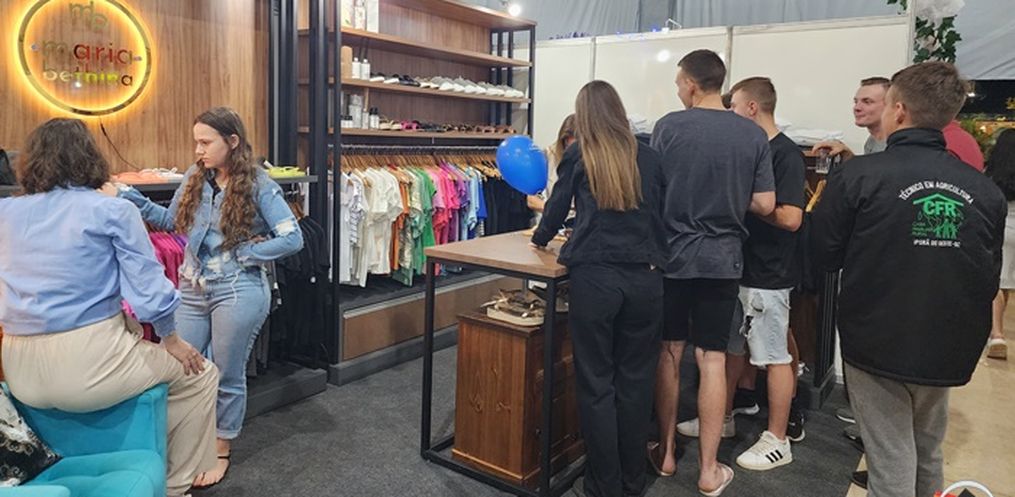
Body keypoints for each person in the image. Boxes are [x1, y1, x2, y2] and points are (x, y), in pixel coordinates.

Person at [812, 61, 1006, 497]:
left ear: (898, 110)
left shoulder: (858, 177)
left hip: (877, 336)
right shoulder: (985, 191)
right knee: (927, 448)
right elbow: (987, 275)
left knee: (891, 458)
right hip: (950, 341)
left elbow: (823, 254)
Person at [0, 118, 219, 497]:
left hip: (18, 367)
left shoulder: (6, 212)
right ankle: (174, 487)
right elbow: (149, 292)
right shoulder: (111, 210)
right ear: (89, 158)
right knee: (201, 376)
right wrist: (172, 341)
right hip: (90, 360)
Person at [112, 107, 304, 488]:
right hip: (193, 286)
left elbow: (292, 237)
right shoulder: (195, 176)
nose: (198, 150)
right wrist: (129, 195)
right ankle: (180, 438)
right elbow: (172, 222)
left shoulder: (260, 184)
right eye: (196, 142)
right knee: (178, 363)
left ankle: (220, 447)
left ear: (232, 141)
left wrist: (248, 253)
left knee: (226, 371)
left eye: (205, 142)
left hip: (238, 288)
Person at [649, 49, 775, 496]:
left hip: (673, 257)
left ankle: (666, 455)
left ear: (690, 84)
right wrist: (730, 196)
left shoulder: (667, 127)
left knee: (670, 352)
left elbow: (652, 191)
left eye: (678, 83)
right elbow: (766, 204)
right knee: (713, 359)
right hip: (723, 259)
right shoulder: (752, 134)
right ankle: (708, 471)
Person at [531, 80, 665, 497]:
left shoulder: (580, 154)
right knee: (636, 383)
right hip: (645, 279)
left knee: (596, 384)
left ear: (584, 116)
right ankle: (632, 480)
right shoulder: (650, 156)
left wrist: (540, 239)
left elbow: (556, 209)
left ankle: (603, 485)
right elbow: (662, 214)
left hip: (597, 279)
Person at [697, 77, 806, 471]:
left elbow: (792, 218)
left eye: (734, 106)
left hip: (768, 273)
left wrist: (749, 202)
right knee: (731, 349)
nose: (729, 112)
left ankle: (777, 438)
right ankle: (723, 417)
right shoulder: (751, 148)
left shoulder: (786, 154)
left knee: (774, 355)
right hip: (737, 267)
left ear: (752, 108)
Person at [811, 77, 890, 159]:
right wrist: (846, 153)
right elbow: (869, 166)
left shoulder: (893, 145)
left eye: (867, 102)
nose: (857, 108)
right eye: (856, 102)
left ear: (890, 105)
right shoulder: (872, 140)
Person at [987, 128, 1015, 360]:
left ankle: (997, 333)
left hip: (1001, 227)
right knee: (1007, 283)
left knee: (997, 279)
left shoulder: (992, 173)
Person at [527, 114, 576, 217]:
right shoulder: (548, 155)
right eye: (567, 145)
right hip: (554, 218)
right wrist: (552, 211)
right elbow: (531, 199)